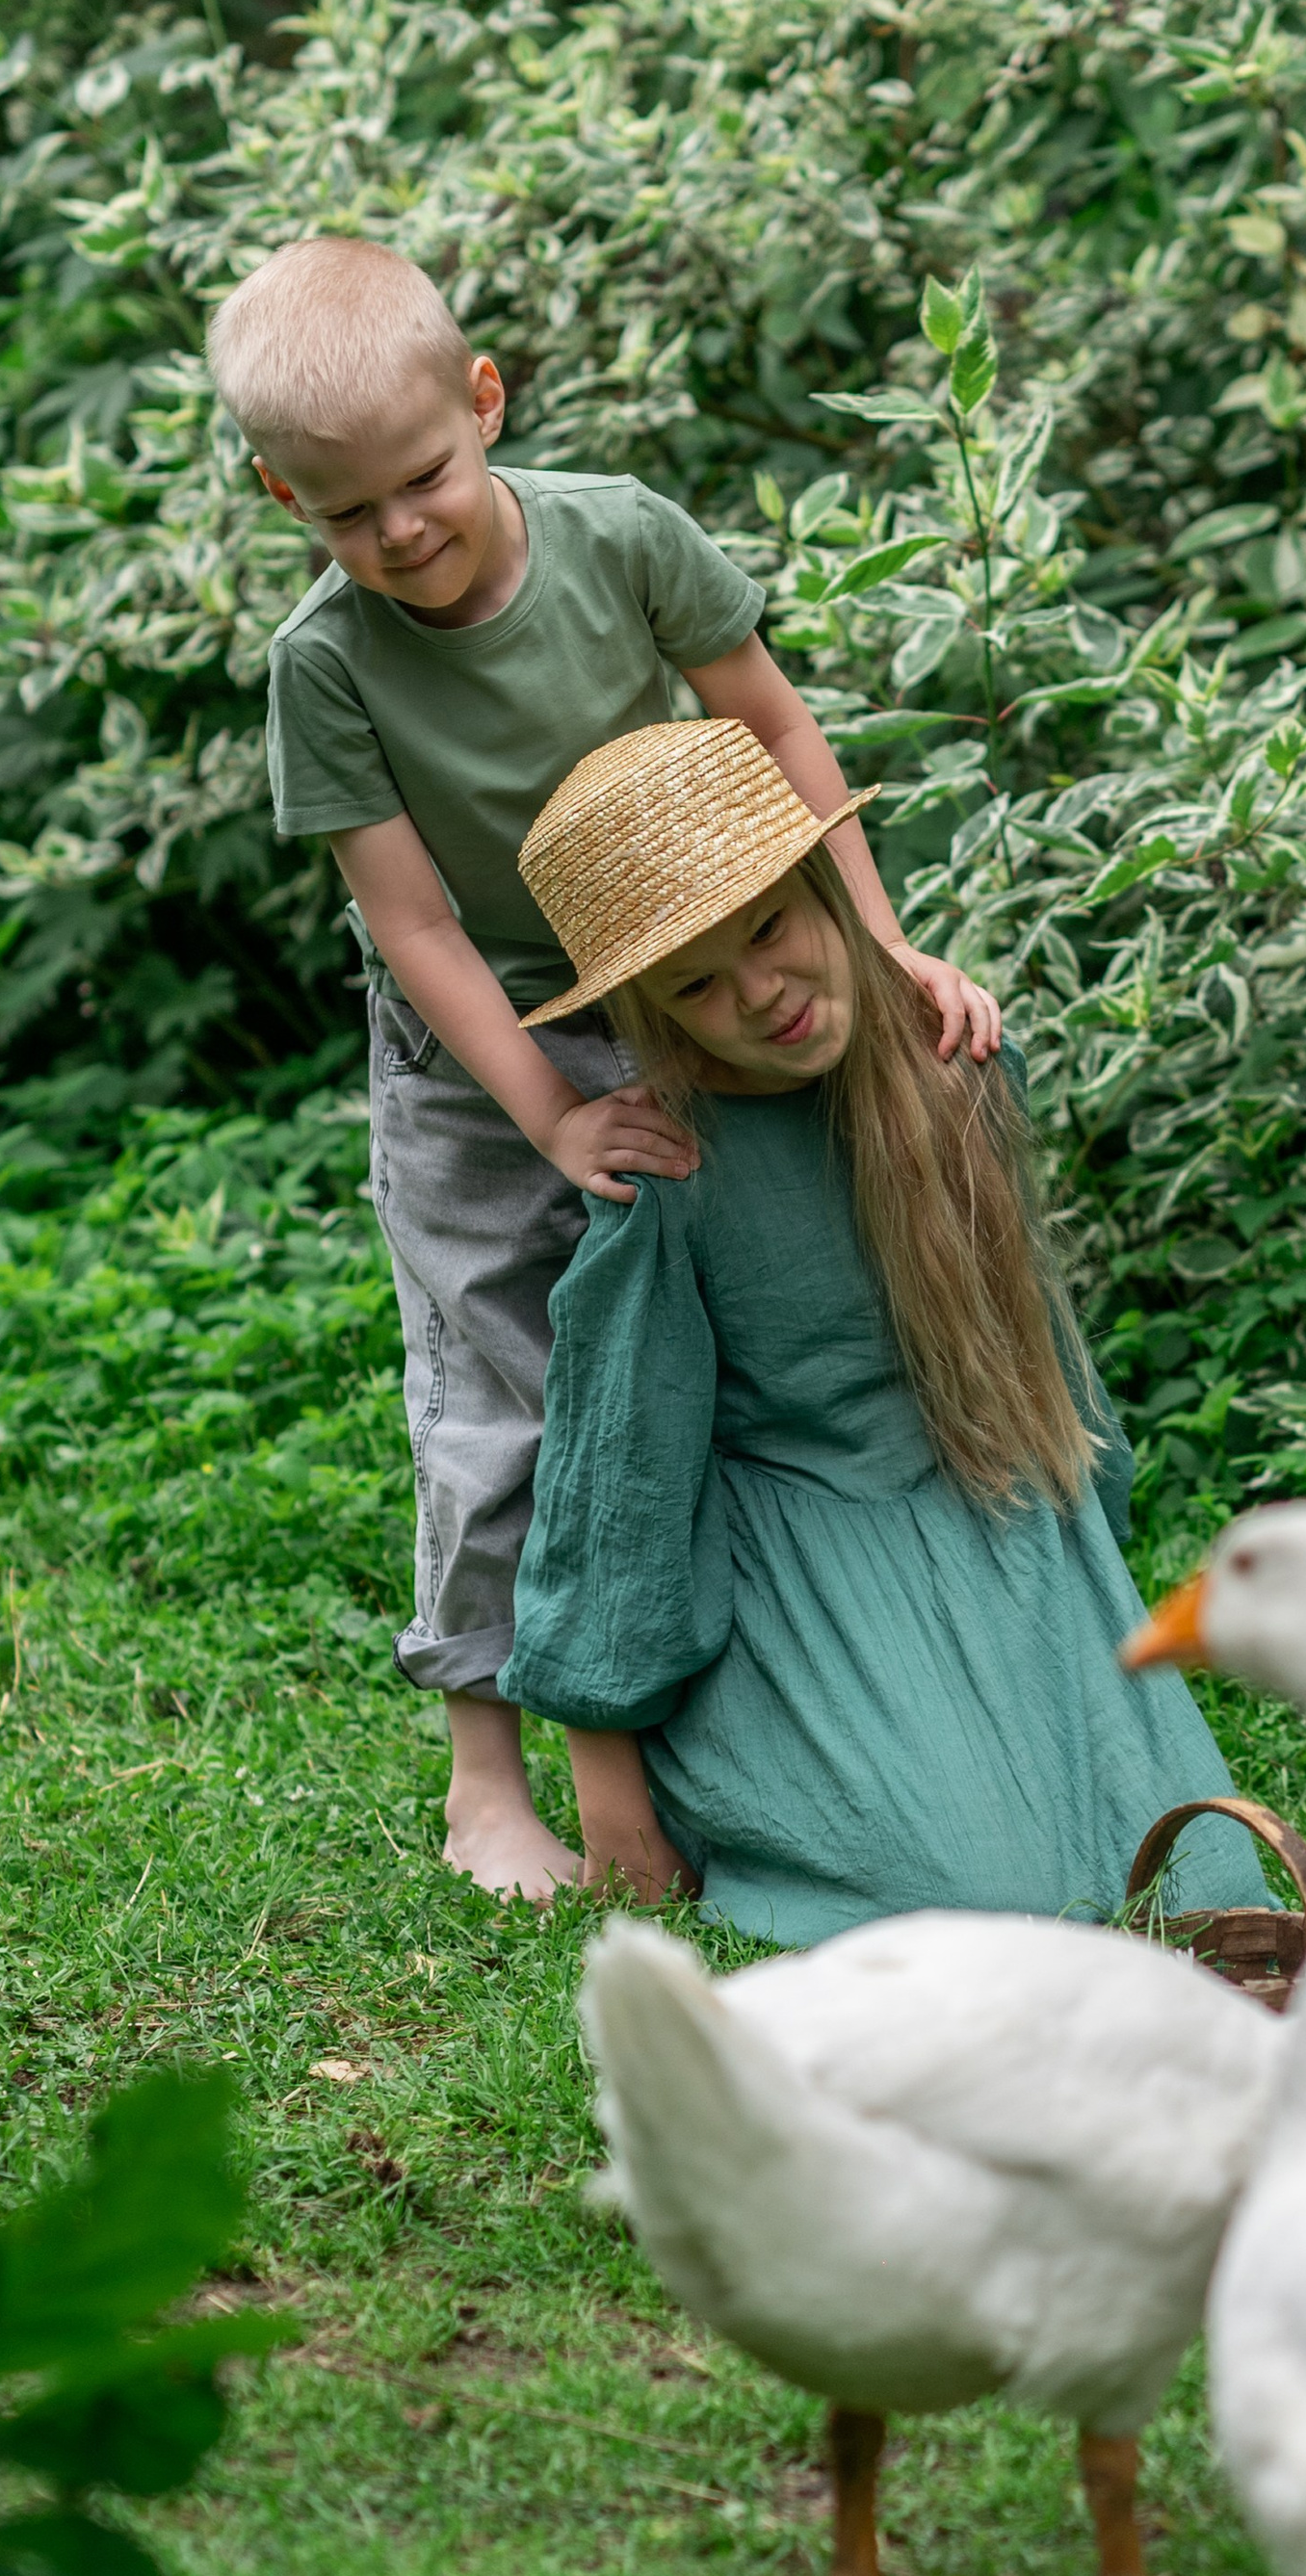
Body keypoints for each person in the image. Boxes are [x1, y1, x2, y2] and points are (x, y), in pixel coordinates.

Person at [215, 234, 998, 1905]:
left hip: (679, 987)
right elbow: (413, 921)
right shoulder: (328, 664)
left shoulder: (623, 535)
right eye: (349, 513)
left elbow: (774, 732)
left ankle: (743, 1709)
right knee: (506, 1391)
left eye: (422, 477)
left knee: (710, 1360)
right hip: (476, 1049)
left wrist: (879, 944)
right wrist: (549, 1111)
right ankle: (487, 1777)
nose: (401, 531)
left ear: (483, 399)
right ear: (287, 497)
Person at [494, 716, 1267, 1946]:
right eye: (696, 983)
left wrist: (1090, 1581)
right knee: (987, 1902)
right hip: (798, 1567)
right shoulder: (671, 1176)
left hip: (1000, 1522)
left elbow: (1039, 1362)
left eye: (770, 930)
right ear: (652, 1010)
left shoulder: (954, 1070)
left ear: (829, 894)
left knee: (1202, 1881)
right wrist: (612, 1799)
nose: (760, 993)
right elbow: (620, 1488)